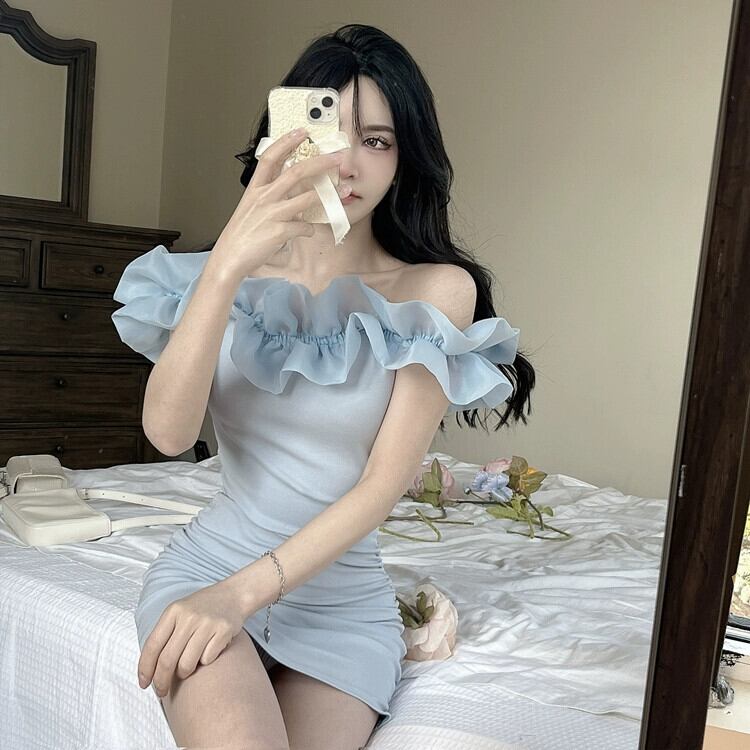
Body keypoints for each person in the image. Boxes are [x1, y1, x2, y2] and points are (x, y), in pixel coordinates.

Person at [111, 22, 535, 750]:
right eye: (329, 132)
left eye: (377, 140)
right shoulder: (219, 276)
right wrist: (226, 266)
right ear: (287, 136)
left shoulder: (434, 290)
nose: (348, 161)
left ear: (404, 157)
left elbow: (381, 487)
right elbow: (169, 435)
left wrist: (240, 596)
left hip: (340, 606)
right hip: (208, 567)